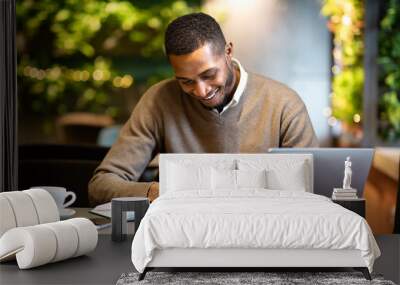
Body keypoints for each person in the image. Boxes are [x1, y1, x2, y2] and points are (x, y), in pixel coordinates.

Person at [88, 12, 318, 205]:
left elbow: (314, 189)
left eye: (209, 75)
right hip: (180, 233)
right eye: (185, 81)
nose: (201, 91)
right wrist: (153, 192)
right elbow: (101, 185)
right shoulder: (159, 100)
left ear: (228, 52)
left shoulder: (284, 104)